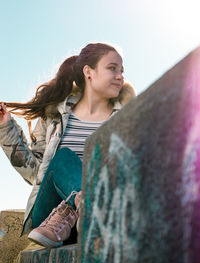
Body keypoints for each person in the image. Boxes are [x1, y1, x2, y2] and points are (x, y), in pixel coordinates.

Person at [0, 43, 136, 248]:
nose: (119, 76)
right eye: (111, 68)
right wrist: (5, 129)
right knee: (63, 157)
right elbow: (36, 173)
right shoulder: (54, 117)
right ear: (88, 73)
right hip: (52, 219)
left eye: (120, 71)